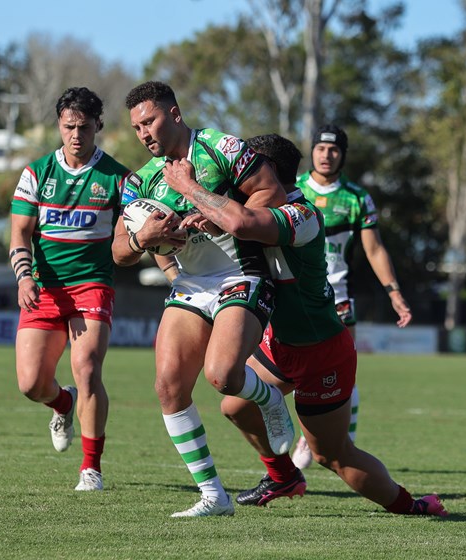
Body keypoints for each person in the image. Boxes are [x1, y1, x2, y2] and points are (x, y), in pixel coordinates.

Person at [162, 133, 448, 518]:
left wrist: (191, 188)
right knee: (234, 405)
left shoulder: (302, 215)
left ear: (269, 177)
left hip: (320, 351)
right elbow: (233, 227)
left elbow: (244, 224)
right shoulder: (261, 210)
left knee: (332, 455)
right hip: (280, 344)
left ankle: (410, 505)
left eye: (246, 171)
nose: (236, 180)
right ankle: (283, 477)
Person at [111, 81, 294, 517]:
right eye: (137, 128)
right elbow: (118, 251)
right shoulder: (141, 181)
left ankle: (269, 400)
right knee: (169, 385)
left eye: (150, 122)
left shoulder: (221, 147)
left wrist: (216, 212)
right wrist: (144, 237)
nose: (144, 134)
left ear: (174, 114)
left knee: (224, 376)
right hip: (191, 283)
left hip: (242, 273)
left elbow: (272, 194)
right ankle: (214, 495)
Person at [10, 86, 132, 492]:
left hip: (92, 287)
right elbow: (19, 236)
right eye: (68, 127)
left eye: (83, 127)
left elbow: (137, 233)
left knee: (88, 368)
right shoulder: (36, 173)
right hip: (43, 288)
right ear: (59, 126)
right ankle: (62, 402)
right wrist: (24, 276)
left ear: (98, 126)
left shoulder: (118, 178)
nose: (75, 135)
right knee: (30, 385)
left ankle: (91, 468)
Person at [292, 124, 412, 469]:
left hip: (338, 299)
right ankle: (304, 435)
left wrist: (394, 292)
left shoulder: (357, 198)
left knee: (342, 373)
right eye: (320, 149)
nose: (326, 155)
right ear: (312, 151)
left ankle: (343, 440)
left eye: (333, 150)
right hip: (293, 297)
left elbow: (374, 250)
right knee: (289, 373)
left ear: (342, 155)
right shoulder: (292, 189)